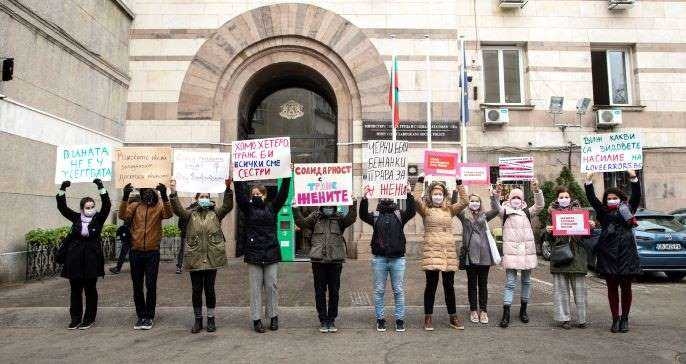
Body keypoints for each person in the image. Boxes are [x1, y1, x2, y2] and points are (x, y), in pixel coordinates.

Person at [169, 179, 233, 333]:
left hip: (212, 257)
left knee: (210, 289)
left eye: (206, 196)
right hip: (195, 257)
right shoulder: (190, 214)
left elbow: (227, 206)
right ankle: (198, 320)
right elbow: (178, 211)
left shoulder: (215, 213)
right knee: (196, 290)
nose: (204, 198)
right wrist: (173, 192)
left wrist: (228, 188)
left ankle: (211, 319)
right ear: (197, 199)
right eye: (201, 196)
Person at [585, 170, 641, 333]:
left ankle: (625, 319)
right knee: (611, 289)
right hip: (608, 255)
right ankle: (615, 319)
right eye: (609, 199)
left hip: (626, 255)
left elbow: (636, 195)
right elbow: (592, 199)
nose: (611, 200)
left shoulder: (628, 209)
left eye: (614, 198)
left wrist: (633, 177)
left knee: (626, 288)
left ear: (621, 199)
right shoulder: (603, 212)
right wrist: (588, 181)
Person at [234, 178, 291, 333]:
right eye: (253, 194)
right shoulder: (248, 209)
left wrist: (287, 177)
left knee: (272, 287)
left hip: (270, 252)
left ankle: (273, 316)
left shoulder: (272, 208)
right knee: (255, 289)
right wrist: (237, 179)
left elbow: (283, 194)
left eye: (259, 194)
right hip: (254, 255)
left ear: (265, 195)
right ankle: (256, 319)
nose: (256, 196)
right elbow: (239, 196)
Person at [413, 177, 468, 331]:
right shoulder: (426, 210)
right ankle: (428, 317)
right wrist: (419, 182)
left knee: (449, 286)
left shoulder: (449, 210)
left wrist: (459, 184)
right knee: (431, 286)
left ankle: (453, 316)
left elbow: (464, 202)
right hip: (432, 252)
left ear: (444, 195)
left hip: (447, 253)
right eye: (435, 193)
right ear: (430, 195)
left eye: (440, 193)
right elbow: (416, 200)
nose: (438, 196)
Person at [293, 201, 357, 333]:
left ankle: (331, 319)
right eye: (326, 205)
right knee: (319, 291)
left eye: (330, 205)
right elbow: (302, 223)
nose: (328, 208)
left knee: (334, 291)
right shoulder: (315, 217)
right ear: (322, 205)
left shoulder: (339, 218)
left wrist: (353, 203)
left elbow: (351, 218)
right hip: (318, 261)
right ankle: (323, 319)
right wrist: (295, 208)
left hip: (335, 260)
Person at [55, 179, 111, 330]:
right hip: (75, 260)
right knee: (75, 291)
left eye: (92, 207)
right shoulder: (76, 217)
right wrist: (62, 189)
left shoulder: (98, 219)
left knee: (90, 290)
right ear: (82, 208)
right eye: (88, 207)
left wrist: (101, 188)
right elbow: (62, 208)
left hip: (92, 260)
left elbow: (107, 206)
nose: (90, 209)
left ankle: (89, 318)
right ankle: (75, 318)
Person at [118, 182, 173, 330]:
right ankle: (141, 315)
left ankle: (149, 316)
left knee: (150, 285)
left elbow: (168, 214)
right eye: (145, 191)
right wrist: (124, 197)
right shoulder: (135, 206)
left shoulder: (159, 206)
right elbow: (122, 215)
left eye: (150, 190)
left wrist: (164, 196)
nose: (148, 193)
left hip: (152, 252)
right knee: (137, 286)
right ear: (141, 193)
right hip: (136, 251)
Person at [359, 190, 416, 332]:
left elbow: (412, 211)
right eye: (384, 195)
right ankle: (380, 319)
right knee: (379, 291)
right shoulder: (376, 216)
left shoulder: (399, 215)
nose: (386, 197)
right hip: (380, 259)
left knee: (398, 290)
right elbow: (363, 215)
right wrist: (364, 199)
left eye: (389, 195)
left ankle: (400, 320)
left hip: (397, 259)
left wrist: (409, 194)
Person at [493, 180, 544, 328]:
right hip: (512, 253)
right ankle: (506, 313)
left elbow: (540, 205)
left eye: (519, 198)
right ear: (509, 200)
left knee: (527, 282)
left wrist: (536, 190)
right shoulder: (505, 212)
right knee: (510, 283)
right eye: (513, 198)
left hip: (526, 253)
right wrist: (497, 192)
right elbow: (495, 205)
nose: (516, 200)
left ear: (522, 200)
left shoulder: (528, 212)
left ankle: (523, 310)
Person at [546, 186, 591, 329]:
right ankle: (564, 319)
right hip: (560, 254)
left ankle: (582, 319)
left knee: (580, 290)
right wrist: (548, 231)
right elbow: (549, 239)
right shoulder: (551, 214)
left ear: (571, 198)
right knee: (561, 291)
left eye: (566, 197)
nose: (564, 199)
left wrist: (591, 226)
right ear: (557, 199)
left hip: (577, 254)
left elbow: (586, 237)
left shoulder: (581, 213)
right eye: (561, 197)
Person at [457, 189, 501, 325]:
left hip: (484, 255)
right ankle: (473, 310)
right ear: (468, 203)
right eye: (472, 201)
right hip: (470, 255)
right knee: (471, 284)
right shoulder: (464, 215)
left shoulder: (485, 215)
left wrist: (494, 196)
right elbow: (454, 206)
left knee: (483, 284)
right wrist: (456, 191)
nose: (474, 203)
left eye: (477, 201)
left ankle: (483, 310)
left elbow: (497, 210)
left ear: (480, 203)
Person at [175, 198, 199, 274]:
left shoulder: (185, 211)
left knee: (182, 250)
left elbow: (179, 224)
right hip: (191, 234)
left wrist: (182, 229)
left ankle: (179, 266)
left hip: (185, 233)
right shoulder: (196, 213)